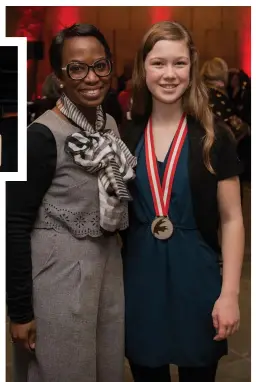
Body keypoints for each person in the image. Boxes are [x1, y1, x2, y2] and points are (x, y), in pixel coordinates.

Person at [6, 23, 136, 382]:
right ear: (59, 77)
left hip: (106, 269)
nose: (91, 77)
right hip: (58, 277)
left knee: (105, 370)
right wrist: (19, 312)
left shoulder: (107, 123)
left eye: (100, 66)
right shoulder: (40, 136)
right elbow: (12, 224)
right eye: (76, 68)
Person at [121, 21, 244, 382]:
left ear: (192, 68)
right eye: (158, 63)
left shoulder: (213, 136)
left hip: (198, 278)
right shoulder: (125, 136)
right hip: (139, 280)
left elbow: (233, 219)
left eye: (179, 63)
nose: (169, 74)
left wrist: (230, 294)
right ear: (143, 68)